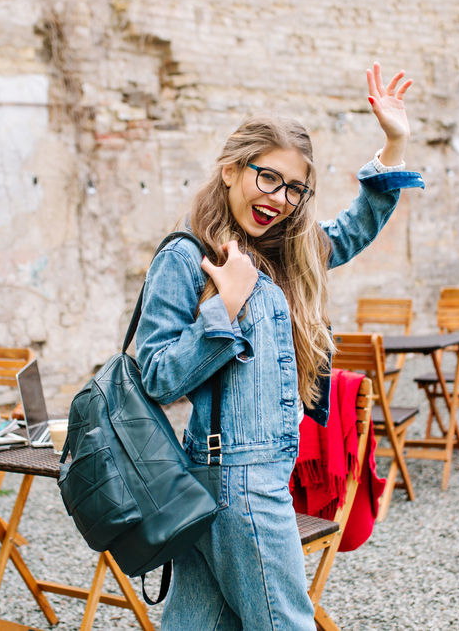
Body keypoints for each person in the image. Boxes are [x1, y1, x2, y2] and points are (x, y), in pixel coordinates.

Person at [135, 62, 424, 630]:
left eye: (294, 187)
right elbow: (156, 375)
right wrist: (226, 309)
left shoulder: (285, 252)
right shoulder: (186, 258)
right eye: (268, 178)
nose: (281, 198)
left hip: (247, 475)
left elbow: (351, 229)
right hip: (236, 480)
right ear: (229, 169)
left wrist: (394, 142)